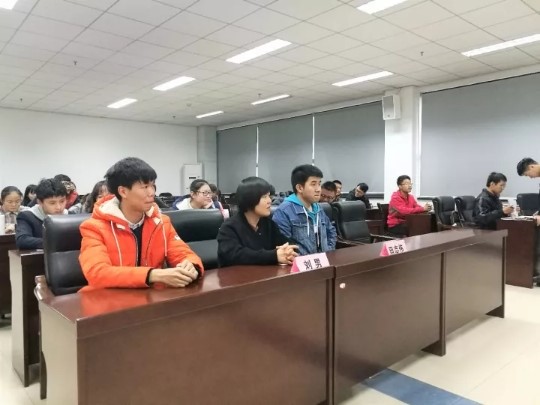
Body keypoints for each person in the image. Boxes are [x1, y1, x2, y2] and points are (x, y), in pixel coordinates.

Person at [79, 157, 203, 291]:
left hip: (153, 297)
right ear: (123, 191)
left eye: (153, 185)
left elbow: (183, 253)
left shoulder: (161, 222)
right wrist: (152, 275)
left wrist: (191, 266)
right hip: (110, 299)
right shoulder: (94, 228)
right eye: (145, 187)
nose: (152, 193)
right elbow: (98, 273)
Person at [217, 177, 298, 267]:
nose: (269, 201)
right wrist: (273, 256)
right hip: (237, 275)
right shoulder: (229, 227)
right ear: (249, 199)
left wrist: (288, 251)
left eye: (269, 196)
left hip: (265, 274)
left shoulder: (268, 223)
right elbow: (235, 255)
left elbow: (287, 243)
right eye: (264, 197)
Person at [272, 164, 337, 256]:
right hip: (301, 263)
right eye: (313, 184)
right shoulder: (284, 211)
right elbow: (285, 246)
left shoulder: (318, 208)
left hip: (323, 261)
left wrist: (329, 251)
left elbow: (331, 232)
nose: (318, 189)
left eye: (319, 184)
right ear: (300, 188)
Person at [16, 178, 68, 249]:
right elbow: (22, 240)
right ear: (40, 202)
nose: (58, 207)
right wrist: (58, 243)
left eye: (62, 201)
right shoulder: (27, 216)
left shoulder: (71, 215)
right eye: (52, 203)